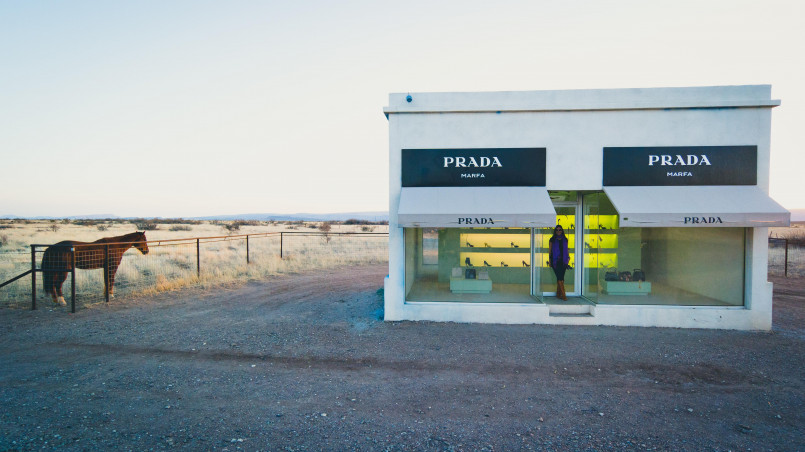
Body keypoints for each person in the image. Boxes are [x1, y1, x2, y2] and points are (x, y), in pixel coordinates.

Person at [548, 225, 570, 300]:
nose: (558, 231)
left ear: (562, 231)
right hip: (555, 261)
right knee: (559, 277)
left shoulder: (565, 239)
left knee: (561, 278)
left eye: (560, 230)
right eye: (557, 230)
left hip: (563, 261)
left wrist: (568, 258)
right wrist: (550, 261)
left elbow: (566, 249)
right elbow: (550, 251)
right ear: (555, 231)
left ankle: (558, 294)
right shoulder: (552, 239)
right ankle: (564, 295)